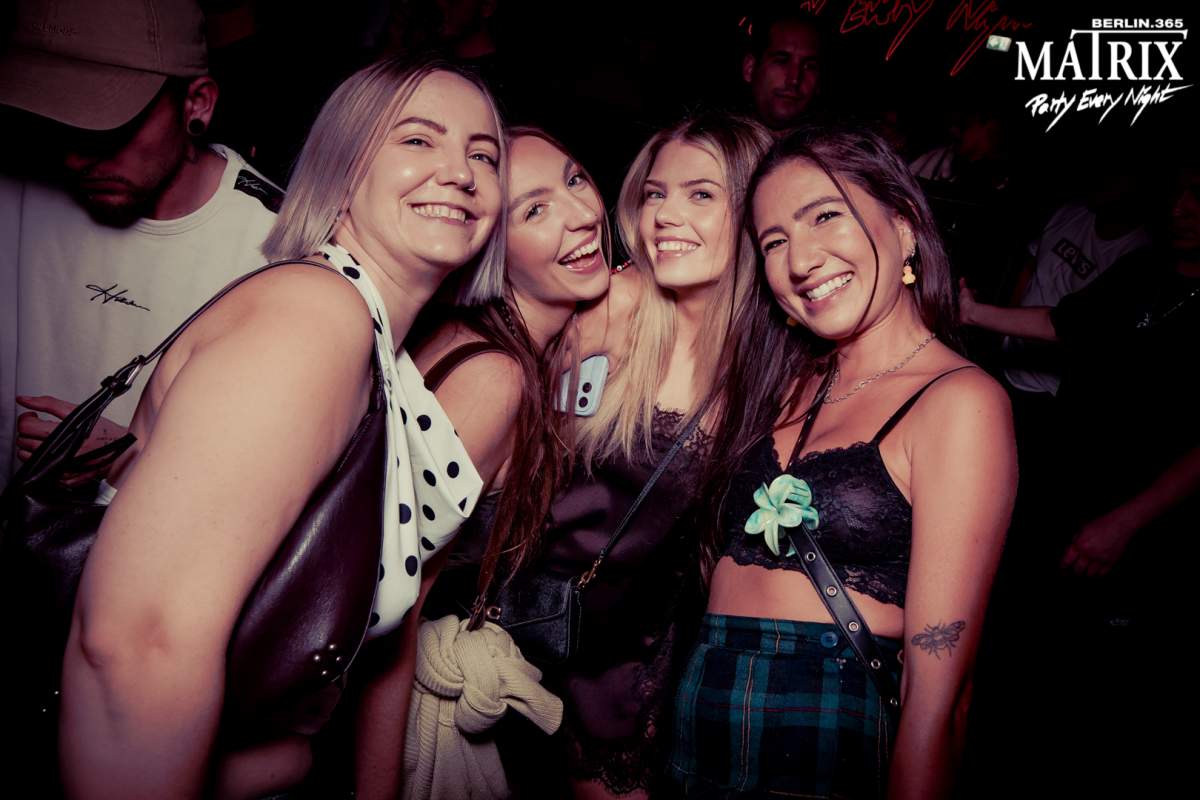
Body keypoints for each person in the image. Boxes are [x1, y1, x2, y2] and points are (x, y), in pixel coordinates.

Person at [55, 56, 508, 799]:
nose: (460, 172)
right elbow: (137, 641)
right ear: (343, 168)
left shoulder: (367, 336)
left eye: (483, 155)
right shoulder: (313, 317)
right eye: (417, 140)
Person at [670, 123, 1016, 799]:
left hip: (822, 726)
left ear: (904, 225)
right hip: (700, 713)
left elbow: (936, 696)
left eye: (825, 215)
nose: (800, 260)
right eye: (774, 242)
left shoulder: (960, 400)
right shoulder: (780, 383)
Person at [496, 113, 772, 799]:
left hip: (658, 656)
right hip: (544, 632)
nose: (665, 216)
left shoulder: (775, 361)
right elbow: (506, 451)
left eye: (701, 194)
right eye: (654, 194)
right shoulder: (614, 307)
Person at [352, 125, 612, 800]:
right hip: (392, 719)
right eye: (535, 209)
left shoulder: (496, 346)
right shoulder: (493, 377)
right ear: (492, 247)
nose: (581, 214)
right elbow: (392, 604)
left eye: (576, 180)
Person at [0, 0, 283, 483]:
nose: (74, 158)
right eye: (53, 121)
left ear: (197, 103)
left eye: (107, 127)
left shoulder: (280, 251)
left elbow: (275, 469)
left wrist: (134, 460)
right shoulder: (15, 182)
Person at [741, 11, 823, 132]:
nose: (794, 80)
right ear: (750, 68)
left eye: (809, 66)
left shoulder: (841, 143)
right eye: (782, 61)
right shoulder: (715, 140)